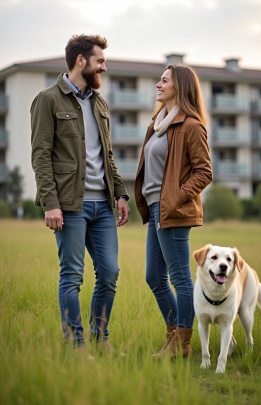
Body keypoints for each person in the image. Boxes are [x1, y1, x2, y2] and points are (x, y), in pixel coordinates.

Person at [31, 34, 130, 353]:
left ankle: (100, 340)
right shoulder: (47, 99)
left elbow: (108, 154)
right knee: (72, 276)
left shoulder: (100, 103)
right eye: (100, 61)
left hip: (103, 206)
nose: (104, 66)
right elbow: (40, 155)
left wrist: (120, 193)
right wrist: (51, 204)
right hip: (69, 206)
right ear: (81, 61)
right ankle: (76, 345)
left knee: (110, 272)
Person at [135, 64, 212, 359]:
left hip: (173, 211)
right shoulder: (157, 124)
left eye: (164, 81)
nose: (158, 85)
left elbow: (204, 172)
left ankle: (182, 344)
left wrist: (176, 198)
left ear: (179, 86)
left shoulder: (191, 125)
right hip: (157, 208)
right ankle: (174, 336)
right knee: (154, 277)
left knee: (180, 279)